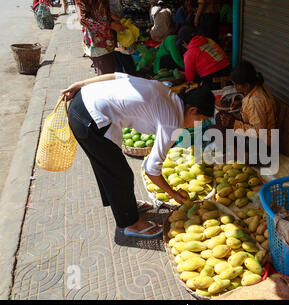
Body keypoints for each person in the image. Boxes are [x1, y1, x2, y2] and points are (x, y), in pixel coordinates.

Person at [62, 73, 215, 238]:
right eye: (202, 119)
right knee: (120, 174)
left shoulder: (164, 89)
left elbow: (116, 76)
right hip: (90, 119)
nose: (199, 124)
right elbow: (151, 169)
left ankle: (124, 204)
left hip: (81, 101)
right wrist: (173, 194)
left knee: (107, 166)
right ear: (192, 110)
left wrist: (82, 82)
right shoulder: (172, 122)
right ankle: (129, 223)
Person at [217, 60, 277, 163]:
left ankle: (239, 154)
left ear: (247, 85)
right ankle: (238, 152)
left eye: (236, 85)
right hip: (261, 136)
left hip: (263, 144)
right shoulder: (258, 87)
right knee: (221, 117)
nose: (235, 87)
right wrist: (242, 102)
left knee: (221, 126)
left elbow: (258, 132)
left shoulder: (255, 101)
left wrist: (233, 123)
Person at [75, 0, 126, 75]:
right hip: (98, 44)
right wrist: (110, 25)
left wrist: (117, 20)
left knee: (110, 71)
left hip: (107, 41)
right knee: (105, 75)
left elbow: (104, 11)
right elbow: (84, 19)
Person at [177, 25, 231, 89]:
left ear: (184, 42)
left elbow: (189, 78)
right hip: (229, 75)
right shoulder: (209, 40)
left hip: (212, 83)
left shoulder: (189, 53)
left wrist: (182, 73)